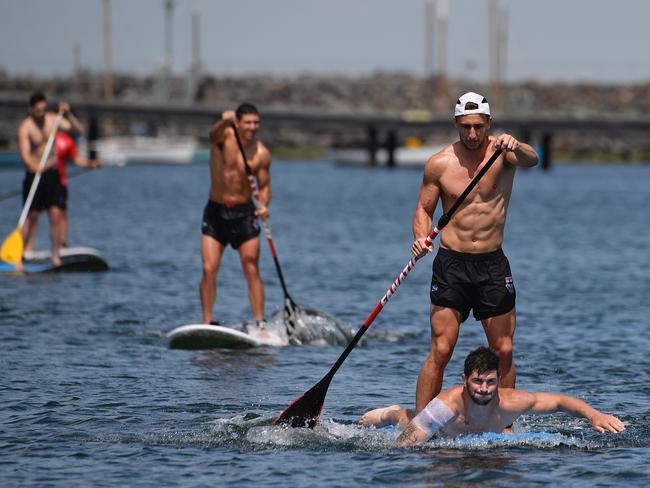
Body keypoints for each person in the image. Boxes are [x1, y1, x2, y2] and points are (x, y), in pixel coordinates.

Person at [411, 92, 539, 413]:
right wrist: (420, 237)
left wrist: (517, 144)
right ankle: (423, 425)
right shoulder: (439, 163)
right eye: (465, 126)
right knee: (441, 349)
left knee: (504, 349)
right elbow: (423, 210)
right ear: (456, 123)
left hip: (492, 266)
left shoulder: (503, 154)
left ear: (489, 124)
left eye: (478, 127)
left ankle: (502, 423)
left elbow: (532, 159)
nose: (472, 134)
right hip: (451, 265)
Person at [359, 347, 625, 445]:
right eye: (477, 382)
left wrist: (594, 415)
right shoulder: (447, 405)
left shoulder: (512, 401)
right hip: (443, 436)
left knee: (506, 438)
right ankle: (391, 411)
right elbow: (404, 446)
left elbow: (559, 401)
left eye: (490, 382)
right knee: (409, 421)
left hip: (483, 436)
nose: (484, 389)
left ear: (499, 381)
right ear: (464, 380)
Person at [199, 102, 271, 327]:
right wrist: (223, 120)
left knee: (251, 267)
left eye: (256, 122)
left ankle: (260, 323)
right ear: (237, 122)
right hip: (216, 212)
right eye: (248, 122)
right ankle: (207, 321)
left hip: (244, 214)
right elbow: (213, 134)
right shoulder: (224, 138)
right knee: (209, 268)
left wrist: (264, 206)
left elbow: (265, 187)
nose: (252, 127)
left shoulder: (261, 153)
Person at [18, 93, 85, 265]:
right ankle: (21, 253)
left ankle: (56, 255)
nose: (41, 114)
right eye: (38, 110)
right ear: (31, 110)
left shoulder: (53, 120)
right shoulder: (26, 128)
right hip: (34, 174)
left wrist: (68, 114)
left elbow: (78, 130)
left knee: (55, 214)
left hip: (52, 174)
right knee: (31, 216)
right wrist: (34, 167)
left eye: (43, 110)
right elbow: (25, 155)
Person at [53, 131, 102, 248]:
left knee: (60, 213)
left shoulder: (67, 140)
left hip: (60, 182)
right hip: (41, 179)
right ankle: (26, 248)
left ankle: (62, 245)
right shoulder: (47, 135)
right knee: (33, 214)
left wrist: (91, 164)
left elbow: (77, 159)